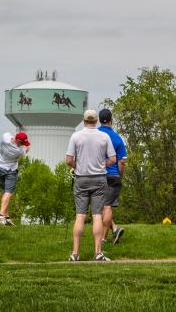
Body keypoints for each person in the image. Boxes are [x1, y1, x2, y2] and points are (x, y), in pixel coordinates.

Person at [65, 109, 116, 262]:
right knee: (97, 216)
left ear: (84, 120)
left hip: (81, 178)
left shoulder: (76, 136)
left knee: (80, 216)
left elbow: (68, 160)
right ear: (96, 121)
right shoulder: (104, 136)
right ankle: (98, 252)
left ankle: (75, 253)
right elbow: (113, 159)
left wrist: (77, 166)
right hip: (99, 178)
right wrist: (102, 164)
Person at [97, 108, 127, 245]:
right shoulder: (117, 138)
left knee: (103, 207)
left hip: (97, 174)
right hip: (113, 175)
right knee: (106, 207)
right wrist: (120, 177)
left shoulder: (95, 135)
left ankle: (103, 239)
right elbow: (121, 161)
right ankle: (114, 229)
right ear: (111, 120)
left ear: (99, 120)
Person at [0, 131, 30, 226]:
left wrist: (19, 135)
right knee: (8, 194)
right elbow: (26, 149)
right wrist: (26, 146)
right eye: (22, 143)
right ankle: (1, 214)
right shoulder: (19, 151)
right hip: (11, 171)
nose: (23, 145)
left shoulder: (5, 137)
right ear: (18, 141)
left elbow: (10, 136)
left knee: (4, 194)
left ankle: (7, 217)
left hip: (0, 169)